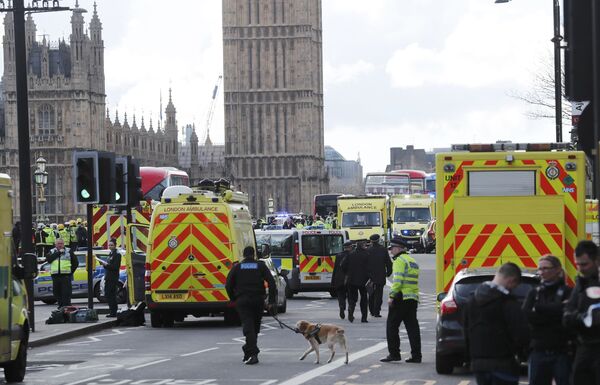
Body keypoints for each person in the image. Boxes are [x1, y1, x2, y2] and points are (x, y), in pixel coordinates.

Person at [464, 262, 529, 385]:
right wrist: (521, 354)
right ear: (512, 280)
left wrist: (471, 359)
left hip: (479, 364)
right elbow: (521, 333)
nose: (513, 289)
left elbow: (467, 331)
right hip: (503, 363)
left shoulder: (472, 300)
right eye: (514, 285)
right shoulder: (508, 302)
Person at [522, 255, 572, 385]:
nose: (542, 272)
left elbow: (567, 317)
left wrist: (539, 309)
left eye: (546, 268)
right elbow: (527, 316)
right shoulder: (534, 293)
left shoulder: (568, 292)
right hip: (538, 351)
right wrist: (557, 309)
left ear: (557, 270)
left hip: (561, 351)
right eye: (540, 269)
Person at [226, 246, 277, 365]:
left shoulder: (237, 267)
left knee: (249, 327)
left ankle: (249, 351)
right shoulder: (260, 266)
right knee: (255, 327)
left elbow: (228, 285)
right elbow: (272, 283)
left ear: (243, 255)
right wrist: (271, 301)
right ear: (254, 254)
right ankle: (252, 353)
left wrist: (233, 298)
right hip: (258, 300)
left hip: (242, 301)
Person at [563, 240, 600, 385]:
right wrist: (584, 318)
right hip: (584, 346)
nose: (580, 268)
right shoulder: (581, 283)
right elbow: (567, 315)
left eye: (584, 264)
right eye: (577, 264)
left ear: (597, 260)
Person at [381, 237, 421, 363]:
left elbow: (398, 281)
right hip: (412, 298)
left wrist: (392, 296)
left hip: (401, 297)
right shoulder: (412, 261)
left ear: (398, 248)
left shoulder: (399, 261)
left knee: (392, 326)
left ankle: (394, 353)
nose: (391, 251)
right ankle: (416, 355)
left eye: (392, 248)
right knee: (412, 328)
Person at [342, 239, 370, 323]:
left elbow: (342, 265)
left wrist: (347, 272)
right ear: (362, 246)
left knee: (352, 298)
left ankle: (351, 309)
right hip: (364, 281)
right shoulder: (367, 254)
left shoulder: (350, 254)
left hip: (351, 279)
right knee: (364, 299)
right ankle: (364, 318)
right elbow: (371, 267)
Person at [45, 238, 79, 308]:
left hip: (66, 276)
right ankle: (61, 307)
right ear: (55, 244)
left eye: (61, 243)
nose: (60, 245)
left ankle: (66, 308)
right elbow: (49, 260)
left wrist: (70, 272)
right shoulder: (52, 251)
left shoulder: (68, 251)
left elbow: (75, 263)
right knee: (56, 293)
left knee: (66, 294)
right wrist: (59, 253)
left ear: (64, 244)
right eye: (58, 244)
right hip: (55, 276)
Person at [368, 234, 393, 318]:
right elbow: (388, 262)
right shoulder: (383, 249)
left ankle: (371, 310)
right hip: (380, 275)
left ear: (371, 241)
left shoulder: (368, 250)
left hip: (370, 276)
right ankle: (377, 311)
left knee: (371, 294)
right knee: (379, 294)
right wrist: (388, 273)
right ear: (379, 240)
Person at [98, 238, 122, 317]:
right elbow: (109, 266)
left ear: (115, 245)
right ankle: (112, 311)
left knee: (110, 295)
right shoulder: (110, 254)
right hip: (108, 277)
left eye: (112, 245)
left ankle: (113, 312)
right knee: (108, 294)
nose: (110, 246)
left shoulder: (117, 255)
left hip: (113, 278)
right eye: (109, 245)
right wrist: (104, 264)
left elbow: (115, 267)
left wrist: (106, 265)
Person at [332, 241, 353, 319]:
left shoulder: (339, 255)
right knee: (351, 296)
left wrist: (333, 280)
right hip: (350, 279)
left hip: (340, 279)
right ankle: (350, 308)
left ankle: (341, 306)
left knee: (341, 295)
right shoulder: (353, 255)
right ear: (350, 247)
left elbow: (335, 269)